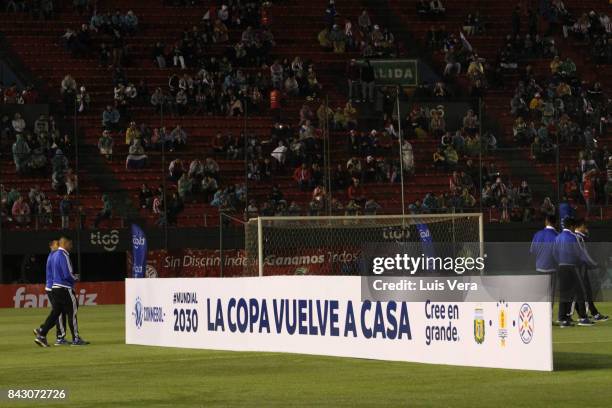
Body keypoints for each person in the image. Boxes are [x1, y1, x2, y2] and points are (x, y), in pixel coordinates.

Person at [34, 236, 88, 347]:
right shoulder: (63, 255)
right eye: (70, 244)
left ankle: (42, 334)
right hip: (64, 288)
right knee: (72, 312)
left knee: (56, 313)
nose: (71, 246)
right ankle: (76, 339)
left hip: (55, 288)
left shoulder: (53, 255)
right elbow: (67, 274)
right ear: (65, 243)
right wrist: (75, 278)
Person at [552, 218, 595, 327]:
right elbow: (581, 254)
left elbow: (554, 253)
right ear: (572, 226)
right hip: (573, 267)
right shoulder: (574, 237)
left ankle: (563, 319)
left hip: (561, 267)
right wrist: (592, 263)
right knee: (580, 292)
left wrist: (560, 262)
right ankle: (583, 318)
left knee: (565, 294)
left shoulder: (557, 237)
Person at [573, 220, 609, 322]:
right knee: (585, 292)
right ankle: (590, 314)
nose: (586, 229)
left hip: (579, 268)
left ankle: (587, 313)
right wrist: (594, 264)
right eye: (584, 226)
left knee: (582, 292)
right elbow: (584, 254)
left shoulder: (577, 237)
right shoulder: (578, 237)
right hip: (581, 268)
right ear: (580, 226)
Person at [36, 240, 68, 345]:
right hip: (53, 287)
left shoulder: (53, 255)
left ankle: (43, 330)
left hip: (51, 287)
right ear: (51, 246)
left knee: (58, 312)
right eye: (56, 244)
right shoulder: (54, 256)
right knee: (58, 312)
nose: (58, 246)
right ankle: (56, 336)